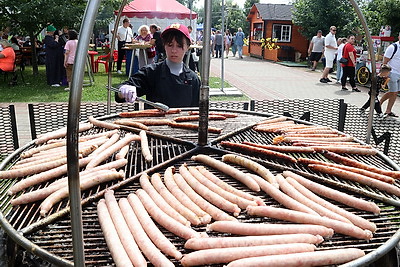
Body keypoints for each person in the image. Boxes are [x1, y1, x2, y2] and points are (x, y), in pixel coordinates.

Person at [116, 23, 200, 108]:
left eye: (179, 46)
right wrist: (123, 90)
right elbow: (120, 94)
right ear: (164, 45)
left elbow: (196, 111)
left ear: (187, 47)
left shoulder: (193, 79)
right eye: (170, 45)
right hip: (154, 120)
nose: (174, 50)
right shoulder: (151, 72)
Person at [380, 32, 400, 118]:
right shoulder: (393, 47)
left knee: (395, 92)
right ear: (399, 37)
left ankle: (388, 110)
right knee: (393, 92)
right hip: (392, 73)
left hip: (399, 73)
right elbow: (385, 62)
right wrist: (384, 74)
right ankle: (379, 104)